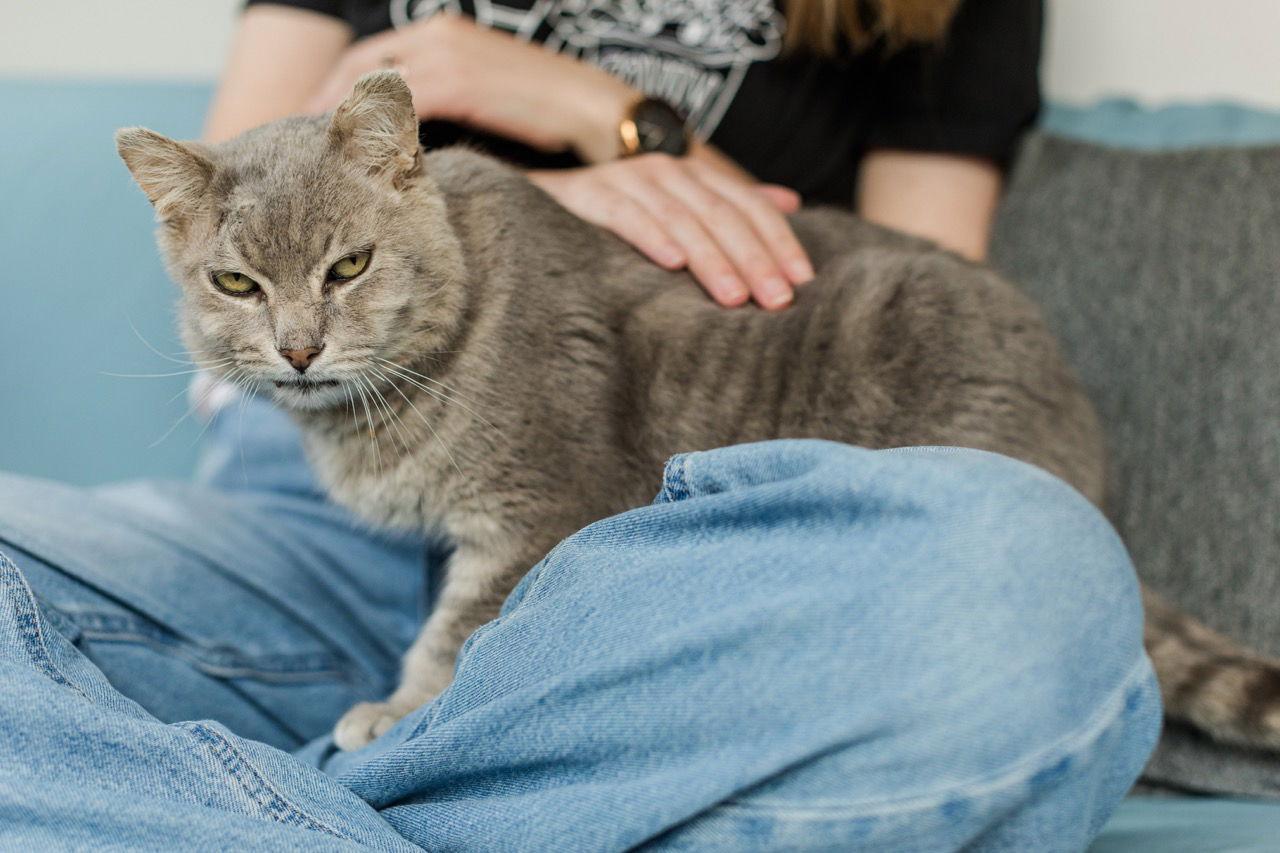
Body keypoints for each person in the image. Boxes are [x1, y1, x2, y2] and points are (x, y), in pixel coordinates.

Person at [0, 1, 1160, 849]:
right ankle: (398, 808)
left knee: (1031, 580)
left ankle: (263, 805)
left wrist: (598, 117)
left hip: (663, 573)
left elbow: (924, 304)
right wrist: (470, 201)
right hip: (300, 497)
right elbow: (236, 187)